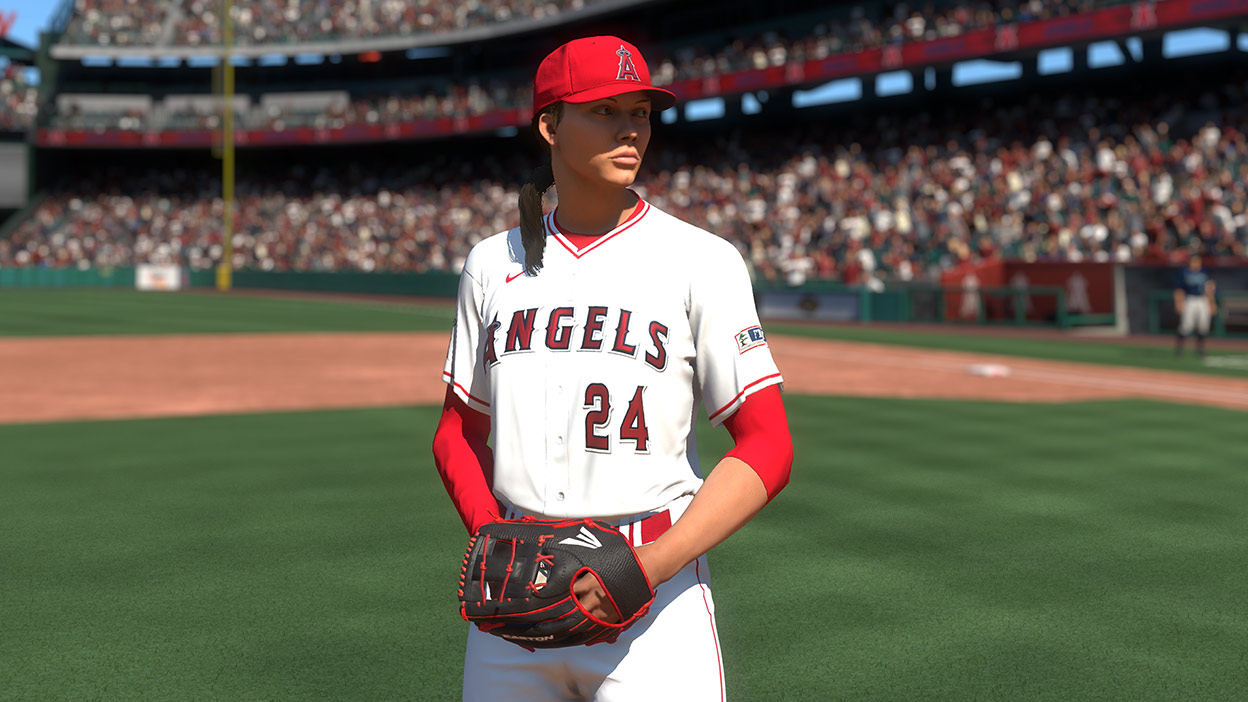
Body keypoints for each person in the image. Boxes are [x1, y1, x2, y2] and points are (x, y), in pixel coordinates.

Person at [432, 35, 794, 701]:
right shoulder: (492, 263)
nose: (630, 128)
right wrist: (491, 534)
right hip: (518, 594)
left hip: (656, 604)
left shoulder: (702, 261)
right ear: (549, 125)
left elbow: (769, 443)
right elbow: (456, 431)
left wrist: (646, 569)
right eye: (605, 110)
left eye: (642, 112)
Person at [1174, 254, 1217, 357]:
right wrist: (1178, 303)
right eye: (1194, 261)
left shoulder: (1204, 272)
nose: (1196, 264)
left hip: (1203, 300)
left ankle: (1200, 350)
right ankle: (1179, 349)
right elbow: (1179, 289)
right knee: (1186, 325)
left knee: (1203, 325)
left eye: (1198, 261)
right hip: (1190, 299)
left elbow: (1209, 289)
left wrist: (1212, 303)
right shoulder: (1184, 273)